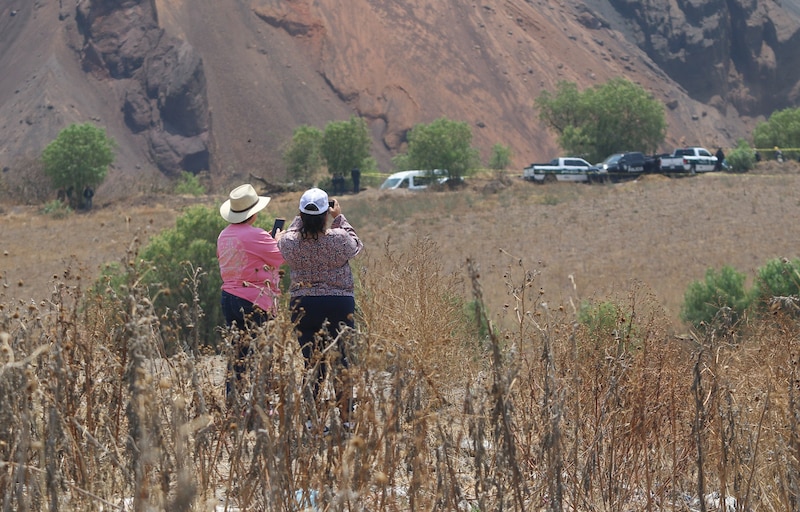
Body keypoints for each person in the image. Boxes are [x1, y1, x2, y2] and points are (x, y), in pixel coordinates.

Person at [278, 187, 363, 429]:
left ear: (300, 215)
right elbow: (356, 244)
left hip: (304, 304)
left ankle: (311, 420)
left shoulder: (290, 242)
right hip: (339, 303)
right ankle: (346, 419)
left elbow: (285, 238)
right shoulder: (339, 238)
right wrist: (339, 218)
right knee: (342, 360)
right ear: (327, 212)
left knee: (312, 361)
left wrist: (299, 219)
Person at [217, 183, 284, 397]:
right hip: (254, 300)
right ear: (253, 213)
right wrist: (278, 240)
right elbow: (279, 258)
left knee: (238, 352)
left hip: (229, 297)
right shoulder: (257, 235)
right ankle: (261, 401)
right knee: (262, 352)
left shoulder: (223, 235)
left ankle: (233, 399)